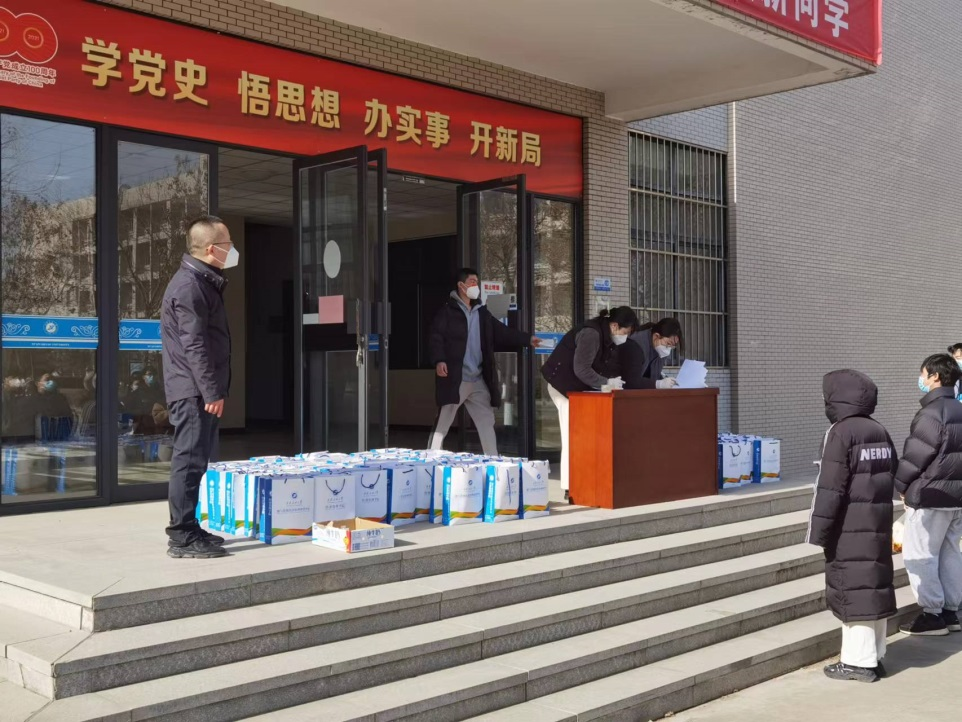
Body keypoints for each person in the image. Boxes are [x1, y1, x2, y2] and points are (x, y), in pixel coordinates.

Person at [807, 369, 897, 683]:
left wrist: (819, 532)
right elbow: (892, 473)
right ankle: (875, 656)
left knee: (854, 590)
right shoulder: (878, 429)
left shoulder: (840, 432)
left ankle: (858, 663)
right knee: (872, 588)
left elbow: (829, 488)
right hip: (876, 523)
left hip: (849, 526)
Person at [160, 215, 236, 559]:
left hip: (197, 390)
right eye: (228, 244)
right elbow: (195, 345)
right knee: (189, 461)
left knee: (196, 461)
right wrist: (211, 391)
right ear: (211, 249)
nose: (233, 250)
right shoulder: (189, 287)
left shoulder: (202, 282)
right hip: (192, 391)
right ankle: (181, 537)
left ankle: (190, 526)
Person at [428, 268, 540, 456]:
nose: (476, 286)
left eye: (477, 282)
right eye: (472, 282)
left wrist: (527, 339)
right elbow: (435, 338)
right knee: (443, 423)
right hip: (456, 377)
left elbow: (502, 332)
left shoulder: (482, 313)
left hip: (478, 379)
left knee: (486, 421)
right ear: (461, 286)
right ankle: (430, 458)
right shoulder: (447, 312)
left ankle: (492, 459)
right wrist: (439, 360)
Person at [895, 353, 962, 636]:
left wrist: (900, 486)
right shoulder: (959, 409)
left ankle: (932, 614)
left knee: (921, 553)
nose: (921, 379)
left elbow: (915, 457)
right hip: (956, 497)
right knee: (950, 552)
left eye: (923, 374)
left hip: (930, 495)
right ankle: (951, 612)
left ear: (934, 377)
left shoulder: (931, 414)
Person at [541, 306, 638, 496]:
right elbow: (582, 370)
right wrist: (606, 382)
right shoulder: (591, 334)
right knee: (571, 434)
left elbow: (603, 366)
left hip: (577, 387)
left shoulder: (606, 337)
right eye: (625, 332)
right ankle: (570, 486)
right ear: (615, 325)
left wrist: (610, 380)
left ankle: (585, 479)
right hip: (561, 384)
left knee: (582, 435)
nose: (625, 337)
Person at [621, 318, 683, 390]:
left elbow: (654, 375)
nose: (668, 349)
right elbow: (631, 380)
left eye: (672, 346)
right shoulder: (636, 344)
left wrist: (665, 381)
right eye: (668, 344)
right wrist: (658, 384)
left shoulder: (660, 348)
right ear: (656, 336)